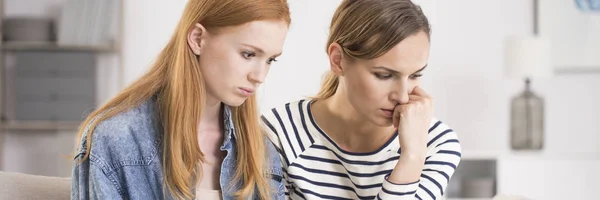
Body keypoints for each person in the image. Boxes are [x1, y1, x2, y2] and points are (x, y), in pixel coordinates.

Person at [71, 0, 290, 199]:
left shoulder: (260, 150)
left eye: (270, 60)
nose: (259, 76)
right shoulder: (116, 140)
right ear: (197, 39)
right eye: (248, 54)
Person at [261, 0, 461, 199]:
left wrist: (412, 157)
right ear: (338, 60)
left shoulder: (436, 143)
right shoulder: (277, 133)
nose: (402, 96)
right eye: (384, 75)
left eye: (414, 75)